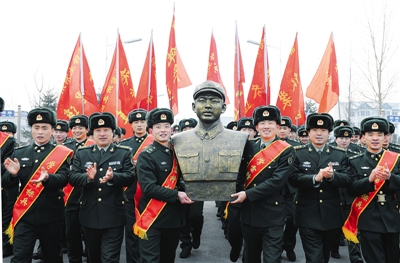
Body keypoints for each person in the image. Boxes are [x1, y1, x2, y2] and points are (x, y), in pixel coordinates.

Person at [3, 107, 72, 263]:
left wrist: (48, 178)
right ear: (32, 129)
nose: (40, 132)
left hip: (51, 216)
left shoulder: (61, 153)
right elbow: (6, 182)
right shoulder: (20, 153)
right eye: (36, 128)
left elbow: (63, 178)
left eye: (44, 128)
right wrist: (13, 174)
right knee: (20, 257)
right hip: (25, 216)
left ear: (52, 130)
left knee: (52, 257)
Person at [231, 105, 294, 263]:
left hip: (272, 215)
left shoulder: (286, 150)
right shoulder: (247, 147)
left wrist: (248, 194)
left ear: (278, 126)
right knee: (250, 257)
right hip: (249, 213)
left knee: (272, 259)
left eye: (271, 123)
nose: (266, 126)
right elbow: (238, 175)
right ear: (256, 127)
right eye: (262, 123)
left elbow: (276, 182)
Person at [69, 112, 135, 263]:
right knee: (94, 258)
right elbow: (72, 178)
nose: (102, 134)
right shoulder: (82, 153)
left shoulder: (123, 152)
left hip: (114, 215)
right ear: (92, 134)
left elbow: (130, 177)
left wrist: (114, 177)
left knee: (110, 259)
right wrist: (88, 178)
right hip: (89, 214)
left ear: (113, 132)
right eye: (98, 131)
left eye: (106, 130)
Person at [289, 112, 351, 263]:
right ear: (308, 132)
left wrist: (332, 176)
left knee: (324, 255)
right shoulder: (298, 153)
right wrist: (314, 178)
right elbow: (292, 178)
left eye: (323, 131)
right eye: (315, 130)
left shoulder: (339, 155)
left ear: (329, 133)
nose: (319, 134)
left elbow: (348, 178)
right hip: (307, 213)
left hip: (331, 213)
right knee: (314, 258)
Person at [172, 80, 248, 201]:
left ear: (223, 108)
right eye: (202, 101)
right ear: (193, 107)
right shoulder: (178, 140)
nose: (208, 105)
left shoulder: (240, 139)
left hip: (230, 195)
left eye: (214, 101)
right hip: (188, 199)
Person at [134, 108, 193, 263]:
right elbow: (149, 188)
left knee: (168, 258)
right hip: (152, 219)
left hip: (173, 218)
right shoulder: (147, 155)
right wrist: (177, 194)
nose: (163, 130)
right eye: (158, 127)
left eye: (166, 126)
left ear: (171, 129)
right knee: (151, 260)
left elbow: (183, 178)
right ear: (151, 130)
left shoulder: (178, 152)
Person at [345, 117, 400, 263]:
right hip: (369, 218)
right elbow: (351, 188)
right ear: (363, 138)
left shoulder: (396, 159)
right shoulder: (354, 161)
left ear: (385, 137)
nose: (375, 138)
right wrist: (369, 179)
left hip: (392, 218)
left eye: (379, 134)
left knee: (393, 258)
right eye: (370, 134)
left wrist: (390, 178)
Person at [119, 108, 153, 263]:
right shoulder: (124, 145)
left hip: (151, 193)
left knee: (150, 232)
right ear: (131, 125)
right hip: (130, 193)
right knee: (131, 232)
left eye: (142, 121)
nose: (139, 125)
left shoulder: (155, 142)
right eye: (136, 122)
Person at [63, 115, 94, 263]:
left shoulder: (94, 145)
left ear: (87, 129)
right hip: (71, 197)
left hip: (89, 195)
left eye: (80, 128)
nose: (77, 130)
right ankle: (74, 260)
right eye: (74, 128)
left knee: (89, 233)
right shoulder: (65, 147)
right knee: (72, 233)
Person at [329, 126, 362, 262]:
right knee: (335, 227)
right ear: (336, 139)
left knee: (351, 226)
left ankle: (355, 256)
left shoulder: (357, 152)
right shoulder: (330, 153)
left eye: (347, 138)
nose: (344, 141)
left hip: (349, 196)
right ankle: (334, 247)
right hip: (334, 195)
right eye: (341, 138)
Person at [226, 117, 256, 262]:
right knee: (233, 229)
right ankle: (235, 246)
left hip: (253, 195)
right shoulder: (230, 147)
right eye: (244, 129)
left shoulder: (259, 148)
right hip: (234, 193)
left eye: (250, 130)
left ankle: (246, 256)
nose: (247, 133)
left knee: (250, 233)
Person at [177, 118, 204, 259]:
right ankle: (186, 245)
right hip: (181, 188)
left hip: (198, 187)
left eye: (191, 129)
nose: (188, 132)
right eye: (185, 130)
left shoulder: (204, 146)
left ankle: (196, 234)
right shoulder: (174, 147)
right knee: (183, 218)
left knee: (195, 216)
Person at [0, 98, 17, 258]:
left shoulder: (7, 141)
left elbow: (6, 164)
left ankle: (6, 245)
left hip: (3, 188)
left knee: (4, 217)